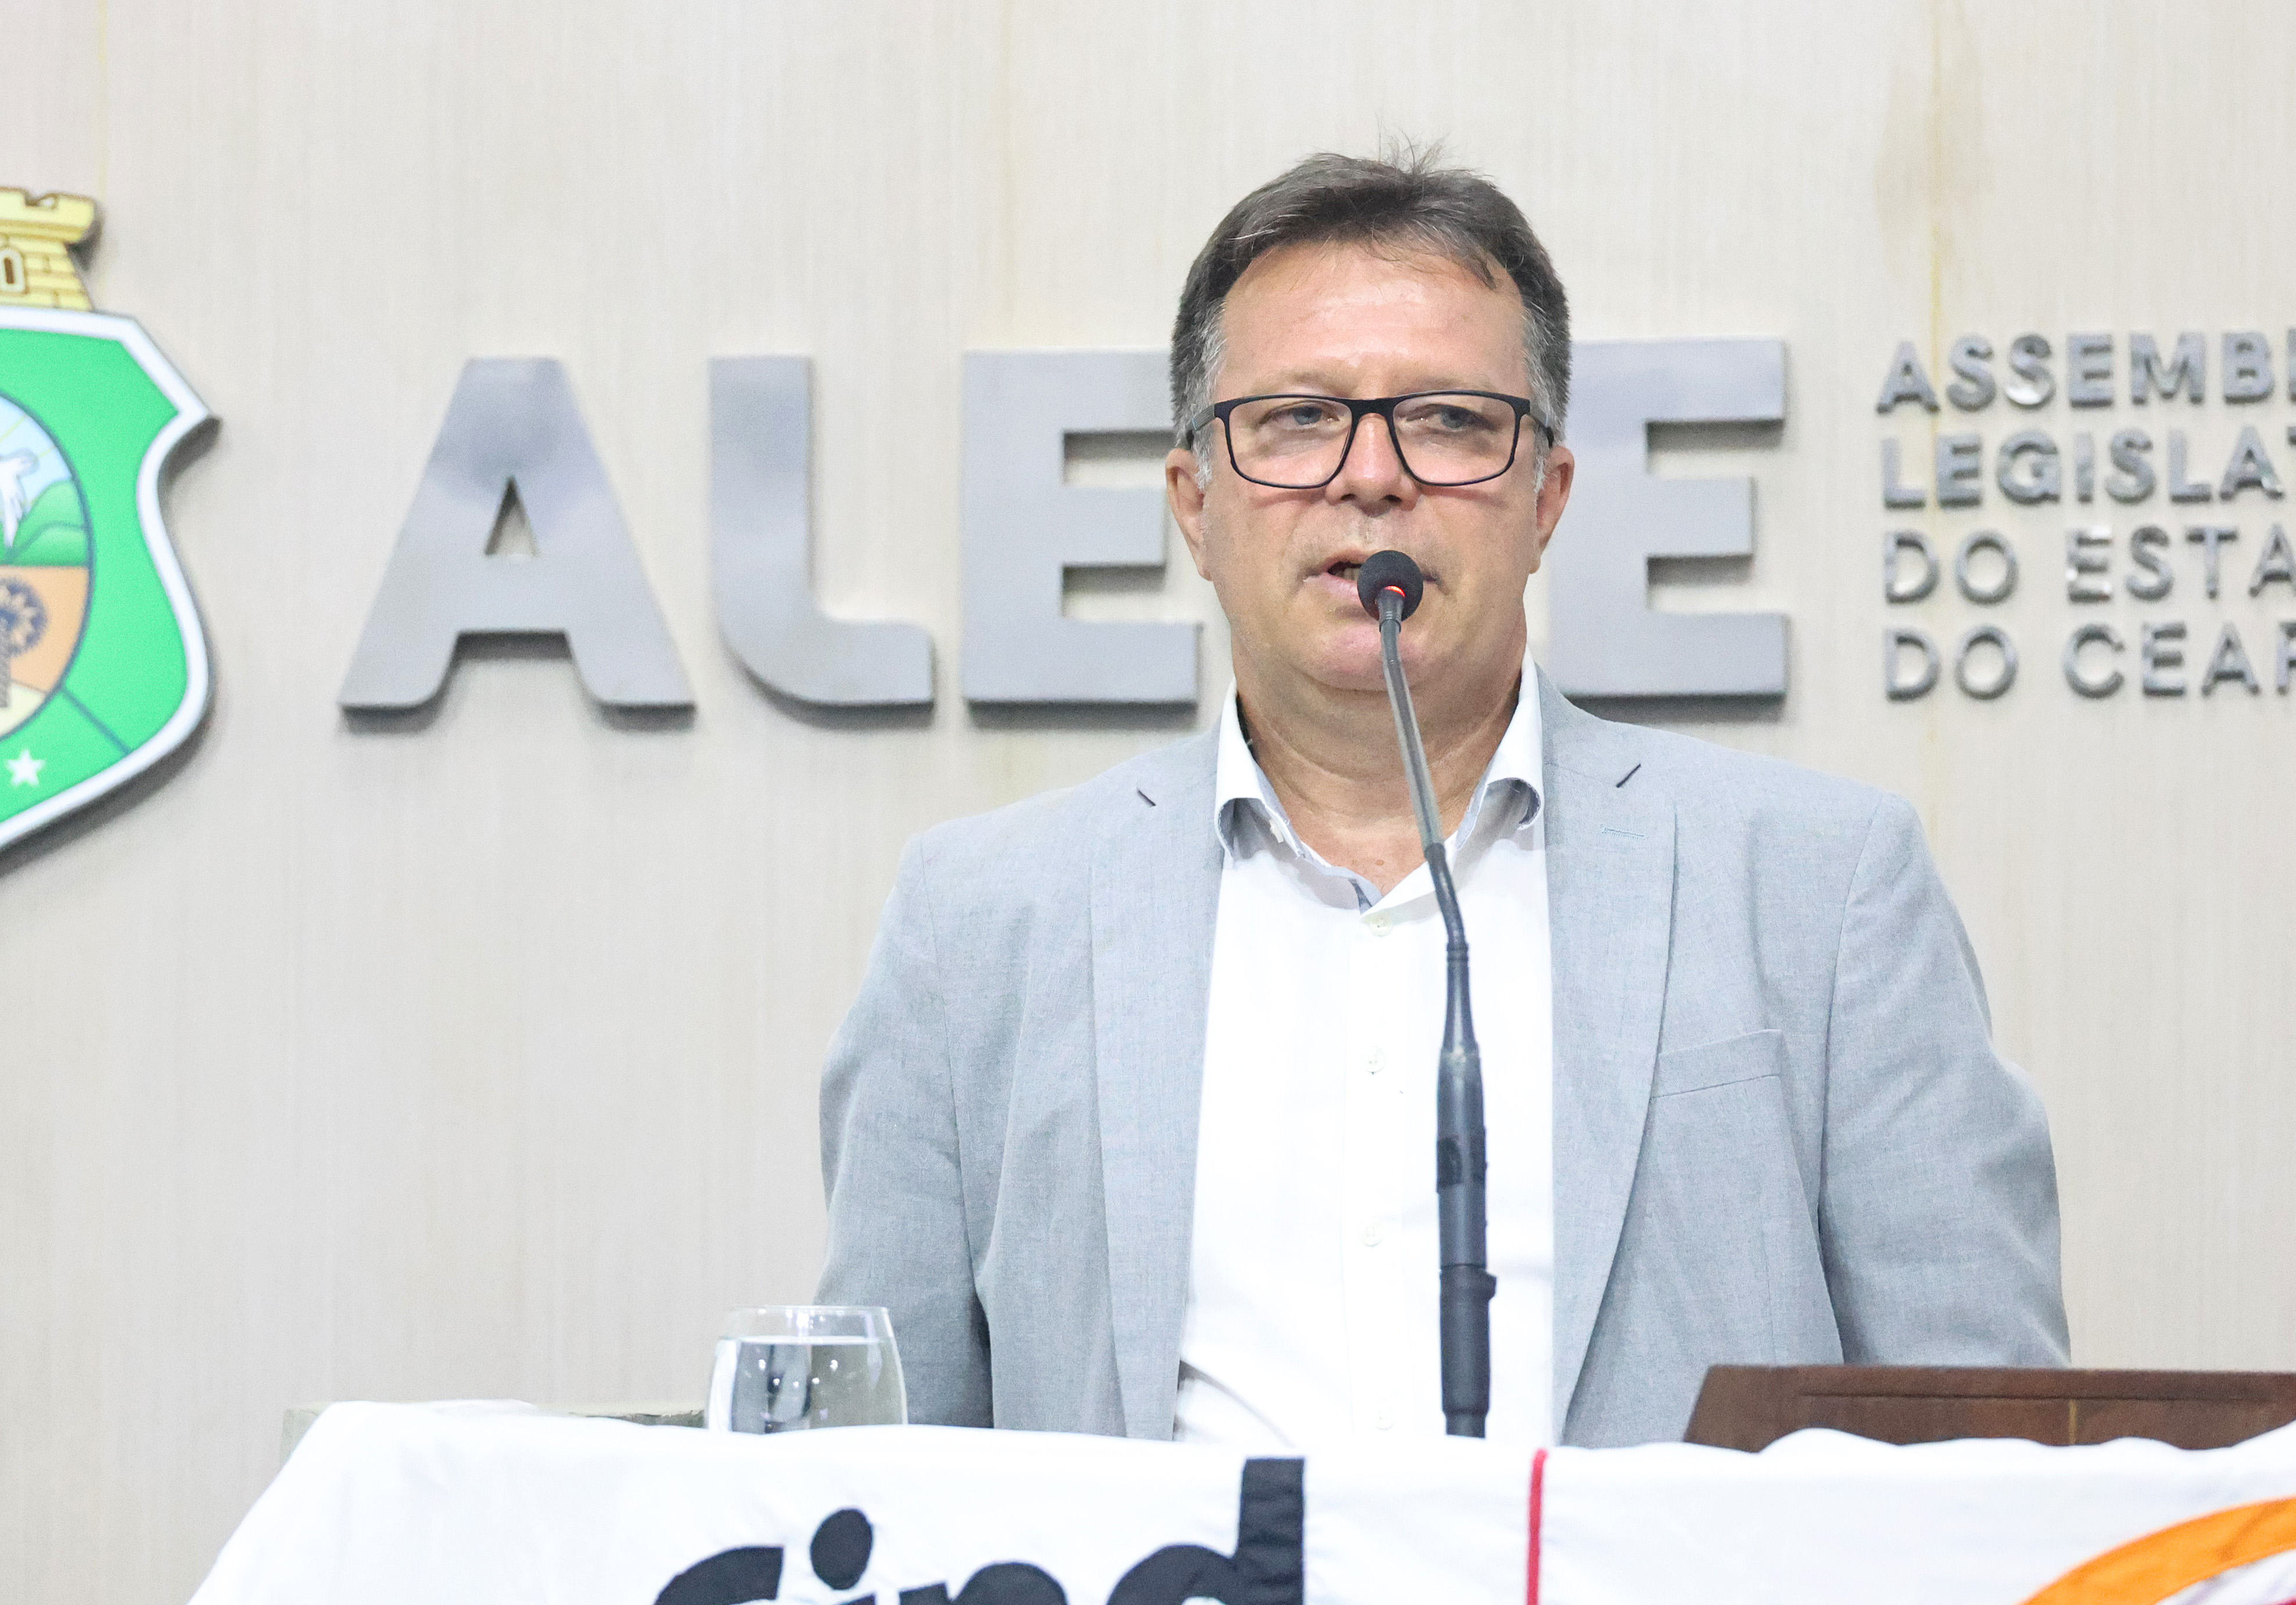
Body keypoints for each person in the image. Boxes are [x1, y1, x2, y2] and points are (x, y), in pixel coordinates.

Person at [819, 148, 2063, 1447]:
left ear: (1547, 500)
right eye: (1297, 418)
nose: (1372, 475)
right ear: (1195, 505)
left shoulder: (1823, 886)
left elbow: (1992, 1448)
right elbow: (871, 1482)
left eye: (1452, 420)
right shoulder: (978, 924)